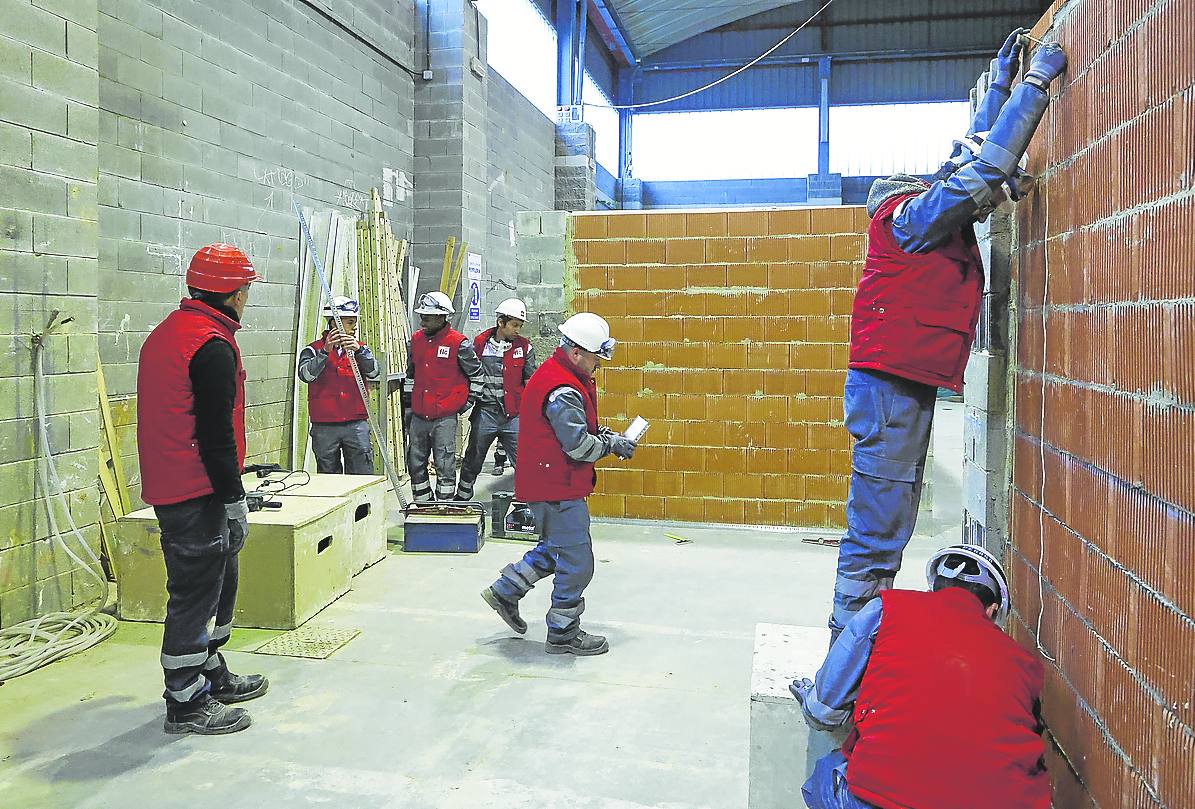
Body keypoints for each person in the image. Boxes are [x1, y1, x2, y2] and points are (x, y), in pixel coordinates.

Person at [829, 33, 1069, 643]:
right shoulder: (908, 222)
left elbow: (963, 163)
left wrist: (998, 89)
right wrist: (1037, 84)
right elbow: (984, 169)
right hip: (888, 392)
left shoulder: (916, 221)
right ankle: (844, 663)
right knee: (877, 533)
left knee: (889, 527)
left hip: (894, 388)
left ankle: (858, 653)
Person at [792, 544, 1050, 809]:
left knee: (825, 775)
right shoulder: (1025, 664)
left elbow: (823, 711)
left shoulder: (888, 610)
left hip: (883, 796)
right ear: (992, 610)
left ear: (933, 589)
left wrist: (813, 698)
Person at [136, 244, 268, 735]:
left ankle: (209, 671)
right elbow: (215, 434)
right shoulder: (210, 346)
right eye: (247, 290)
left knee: (219, 579)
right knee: (195, 592)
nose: (247, 298)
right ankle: (186, 702)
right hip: (196, 489)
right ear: (234, 294)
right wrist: (234, 499)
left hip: (181, 482)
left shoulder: (171, 333)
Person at [480, 313, 638, 656]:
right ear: (578, 352)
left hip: (547, 483)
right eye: (596, 357)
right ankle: (564, 633)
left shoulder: (558, 375)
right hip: (557, 487)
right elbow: (577, 445)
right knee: (578, 562)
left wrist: (605, 435)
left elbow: (573, 431)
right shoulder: (563, 388)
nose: (598, 365)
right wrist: (610, 446)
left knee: (555, 549)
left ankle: (506, 590)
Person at [403, 291, 483, 501]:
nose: (422, 322)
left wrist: (465, 404)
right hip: (419, 416)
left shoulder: (459, 343)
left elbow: (477, 375)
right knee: (415, 461)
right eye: (422, 317)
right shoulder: (416, 341)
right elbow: (411, 375)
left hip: (445, 418)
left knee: (445, 462)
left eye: (427, 318)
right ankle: (423, 504)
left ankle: (444, 506)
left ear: (442, 317)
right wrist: (408, 407)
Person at [454, 298, 537, 501]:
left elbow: (531, 384)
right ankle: (462, 498)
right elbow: (468, 374)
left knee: (524, 460)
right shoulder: (480, 344)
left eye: (520, 325)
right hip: (485, 413)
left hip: (513, 415)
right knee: (473, 458)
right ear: (501, 322)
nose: (517, 330)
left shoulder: (525, 348)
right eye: (514, 325)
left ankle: (529, 502)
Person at [296, 295, 381, 474]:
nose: (355, 327)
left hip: (356, 423)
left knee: (361, 475)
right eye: (350, 322)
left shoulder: (361, 349)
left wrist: (360, 352)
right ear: (335, 324)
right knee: (329, 477)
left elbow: (374, 373)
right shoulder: (312, 350)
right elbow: (306, 376)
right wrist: (325, 352)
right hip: (325, 425)